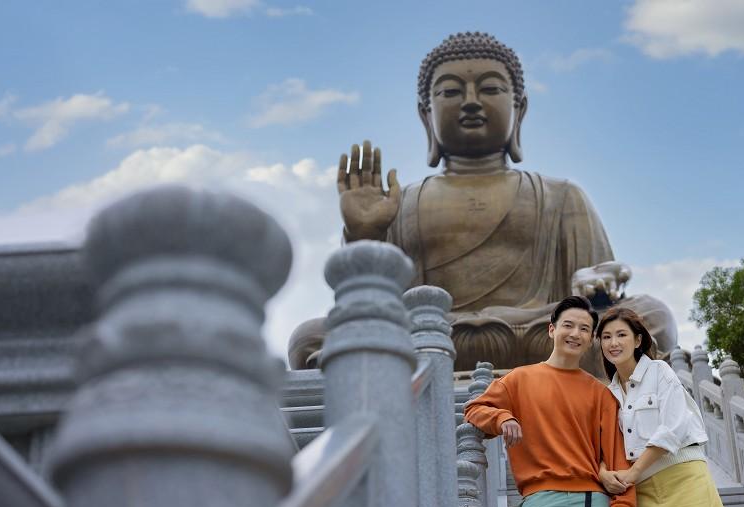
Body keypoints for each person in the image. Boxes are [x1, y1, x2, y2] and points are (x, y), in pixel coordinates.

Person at [288, 31, 677, 375]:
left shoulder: (561, 195)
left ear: (518, 110)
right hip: (434, 333)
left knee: (652, 317)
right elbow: (375, 304)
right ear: (427, 115)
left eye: (490, 89)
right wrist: (364, 235)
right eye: (451, 92)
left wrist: (595, 283)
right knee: (308, 338)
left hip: (539, 333)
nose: (471, 102)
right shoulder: (401, 202)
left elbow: (597, 290)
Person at [464, 296, 635, 507]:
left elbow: (617, 455)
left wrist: (623, 505)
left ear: (591, 339)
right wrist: (502, 416)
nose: (575, 334)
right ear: (551, 329)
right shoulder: (519, 379)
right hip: (541, 498)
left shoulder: (601, 394)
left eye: (584, 329)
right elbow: (475, 409)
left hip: (591, 501)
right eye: (568, 325)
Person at [596, 307, 744, 507]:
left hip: (684, 481)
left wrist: (631, 473)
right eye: (606, 337)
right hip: (645, 492)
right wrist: (605, 472)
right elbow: (605, 443)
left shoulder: (659, 372)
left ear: (638, 340)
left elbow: (673, 427)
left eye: (621, 335)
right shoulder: (609, 392)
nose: (613, 343)